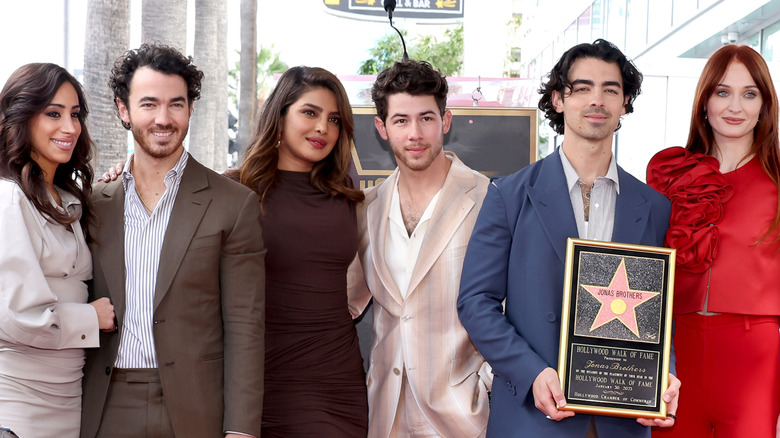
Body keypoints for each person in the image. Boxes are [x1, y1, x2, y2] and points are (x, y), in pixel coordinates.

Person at [457, 39, 681, 438]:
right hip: (535, 416)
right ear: (559, 100)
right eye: (582, 88)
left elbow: (655, 313)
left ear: (624, 103)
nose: (597, 99)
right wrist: (531, 371)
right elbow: (476, 302)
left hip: (622, 422)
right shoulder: (509, 195)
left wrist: (664, 376)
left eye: (610, 89)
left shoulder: (654, 206)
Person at [80, 43, 266, 438]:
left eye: (176, 104)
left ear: (190, 109)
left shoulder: (233, 204)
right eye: (148, 104)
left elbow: (245, 327)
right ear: (123, 110)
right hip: (104, 405)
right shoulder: (93, 204)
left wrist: (241, 430)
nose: (163, 119)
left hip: (196, 409)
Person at [347, 59, 492, 437]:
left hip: (462, 416)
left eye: (426, 118)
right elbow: (344, 303)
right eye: (401, 120)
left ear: (445, 121)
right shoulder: (366, 207)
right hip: (386, 413)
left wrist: (488, 386)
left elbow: (515, 306)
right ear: (382, 128)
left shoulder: (488, 199)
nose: (415, 133)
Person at [646, 44, 780, 438]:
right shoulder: (670, 174)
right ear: (704, 100)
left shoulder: (777, 183)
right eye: (722, 92)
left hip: (753, 356)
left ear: (763, 104)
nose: (734, 105)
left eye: (749, 93)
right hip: (675, 352)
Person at [229, 66, 368, 437]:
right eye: (310, 112)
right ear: (280, 116)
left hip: (341, 379)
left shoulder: (348, 198)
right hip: (267, 378)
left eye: (334, 119)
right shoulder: (233, 191)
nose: (323, 127)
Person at [0, 63, 115, 438]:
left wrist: (121, 182)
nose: (70, 127)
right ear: (20, 117)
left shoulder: (67, 198)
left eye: (75, 114)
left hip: (69, 398)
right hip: (21, 402)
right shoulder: (8, 199)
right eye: (53, 113)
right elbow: (16, 316)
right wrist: (89, 317)